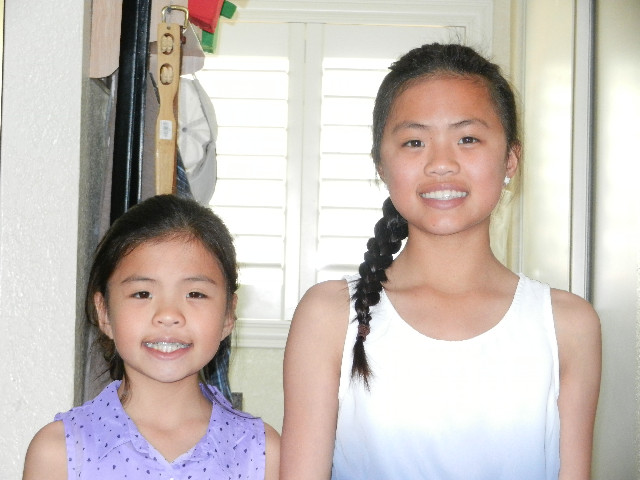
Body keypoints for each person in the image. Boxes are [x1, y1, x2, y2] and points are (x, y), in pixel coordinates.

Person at [280, 43, 601, 480]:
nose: (442, 164)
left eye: (467, 139)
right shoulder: (329, 315)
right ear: (381, 164)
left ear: (510, 159)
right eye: (415, 142)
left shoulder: (568, 323)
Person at [23, 194, 280, 480]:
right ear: (104, 312)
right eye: (142, 293)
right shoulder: (60, 452)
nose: (168, 314)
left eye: (195, 294)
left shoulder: (262, 452)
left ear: (228, 314)